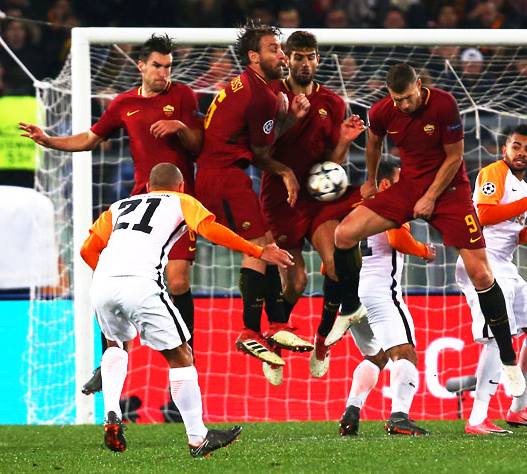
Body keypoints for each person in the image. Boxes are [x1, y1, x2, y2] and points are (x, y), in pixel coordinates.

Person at [19, 34, 204, 393]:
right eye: (157, 65)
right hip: (139, 200)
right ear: (141, 66)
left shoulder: (182, 96)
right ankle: (109, 361)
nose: (163, 72)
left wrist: (180, 127)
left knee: (178, 281)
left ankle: (186, 355)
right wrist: (49, 141)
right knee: (110, 275)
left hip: (180, 201)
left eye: (168, 66)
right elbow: (90, 139)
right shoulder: (123, 104)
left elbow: (199, 146)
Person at [330, 63, 526, 398]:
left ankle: (508, 361)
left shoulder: (444, 103)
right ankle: (350, 307)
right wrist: (372, 180)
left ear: (419, 86)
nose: (403, 105)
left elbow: (454, 157)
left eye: (407, 98)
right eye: (397, 100)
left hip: (450, 192)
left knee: (481, 274)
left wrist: (431, 196)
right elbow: (373, 141)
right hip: (408, 187)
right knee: (343, 235)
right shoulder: (382, 111)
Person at [80, 163, 293, 454]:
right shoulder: (183, 200)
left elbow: (86, 250)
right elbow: (209, 229)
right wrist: (257, 250)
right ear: (180, 186)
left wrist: (110, 275)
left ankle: (112, 414)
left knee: (115, 347)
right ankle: (198, 438)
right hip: (141, 283)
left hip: (102, 283)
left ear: (147, 187)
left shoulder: (119, 206)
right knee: (182, 356)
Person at [195, 21, 309, 366]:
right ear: (253, 56)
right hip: (223, 178)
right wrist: (287, 167)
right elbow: (262, 155)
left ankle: (273, 324)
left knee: (266, 243)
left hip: (224, 173)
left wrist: (286, 113)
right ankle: (252, 329)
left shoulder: (257, 84)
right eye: (274, 49)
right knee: (260, 247)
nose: (282, 54)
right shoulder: (258, 96)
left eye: (281, 48)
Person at [261, 30, 366, 384]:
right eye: (298, 57)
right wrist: (289, 121)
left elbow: (331, 161)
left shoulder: (333, 104)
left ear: (318, 59)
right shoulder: (273, 97)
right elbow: (258, 149)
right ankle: (273, 341)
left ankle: (323, 341)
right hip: (281, 194)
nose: (304, 63)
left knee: (336, 265)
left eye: (310, 57)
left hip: (318, 196)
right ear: (286, 59)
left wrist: (346, 143)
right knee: (297, 282)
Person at [456, 125, 527, 434]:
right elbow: (483, 215)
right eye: (516, 147)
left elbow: (504, 228)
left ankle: (519, 409)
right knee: (501, 338)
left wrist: (524, 235)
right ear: (504, 150)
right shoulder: (494, 173)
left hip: (505, 264)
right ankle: (477, 418)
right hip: (482, 264)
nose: (521, 153)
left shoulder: (521, 187)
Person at [338, 162, 436, 437]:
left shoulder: (353, 212)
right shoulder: (390, 205)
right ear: (384, 185)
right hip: (382, 291)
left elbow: (329, 264)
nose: (405, 187)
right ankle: (399, 417)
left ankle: (351, 411)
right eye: (399, 180)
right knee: (405, 353)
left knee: (376, 355)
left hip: (353, 297)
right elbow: (397, 239)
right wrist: (423, 250)